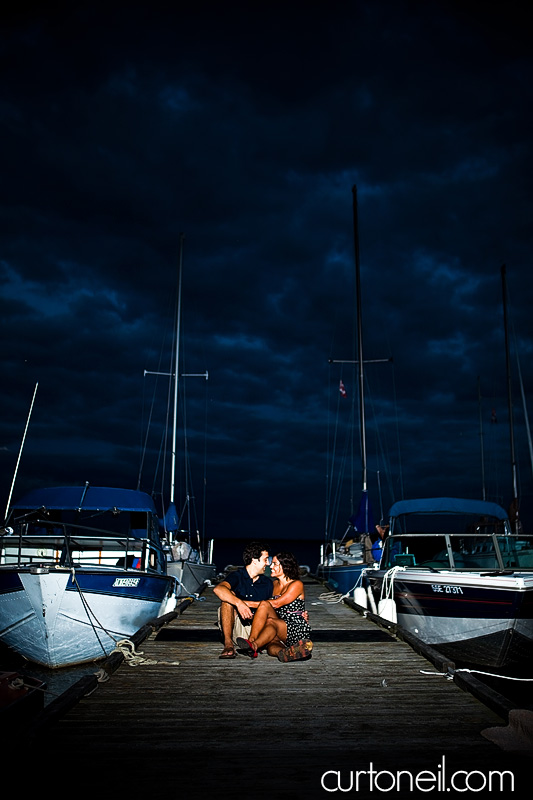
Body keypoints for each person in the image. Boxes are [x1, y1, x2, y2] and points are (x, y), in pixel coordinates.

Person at [236, 551, 312, 662]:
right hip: (278, 624)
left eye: (275, 564)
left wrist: (242, 603)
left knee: (268, 615)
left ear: (285, 566)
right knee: (271, 643)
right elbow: (261, 599)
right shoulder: (274, 584)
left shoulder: (296, 584)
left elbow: (276, 603)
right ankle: (283, 653)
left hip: (295, 627)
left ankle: (253, 644)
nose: (270, 566)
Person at [213, 540, 273, 659]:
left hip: (257, 630)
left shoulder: (267, 583)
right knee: (227, 600)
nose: (268, 564)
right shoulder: (237, 576)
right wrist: (239, 603)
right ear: (254, 560)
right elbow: (218, 589)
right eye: (265, 560)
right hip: (236, 627)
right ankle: (228, 645)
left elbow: (273, 604)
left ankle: (254, 645)